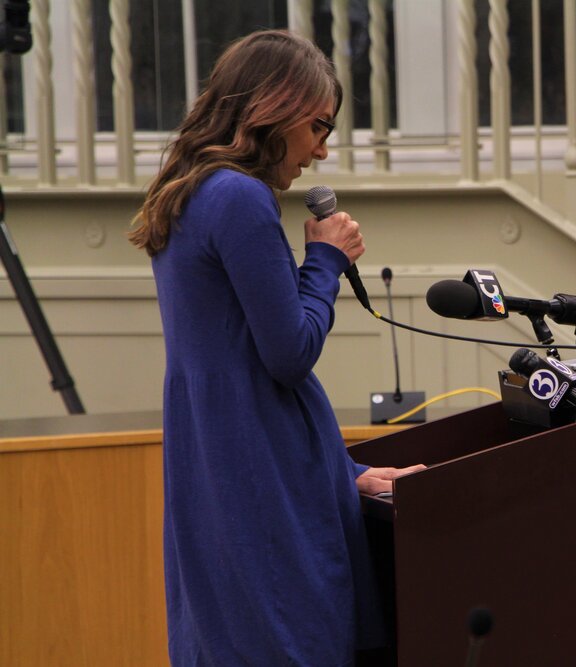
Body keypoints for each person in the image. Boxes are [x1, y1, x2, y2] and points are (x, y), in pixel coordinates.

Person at [129, 30, 423, 665]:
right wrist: (325, 259)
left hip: (223, 467)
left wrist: (348, 475)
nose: (319, 151)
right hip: (263, 485)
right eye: (318, 126)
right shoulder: (239, 197)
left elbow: (237, 362)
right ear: (275, 109)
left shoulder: (190, 190)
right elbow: (288, 354)